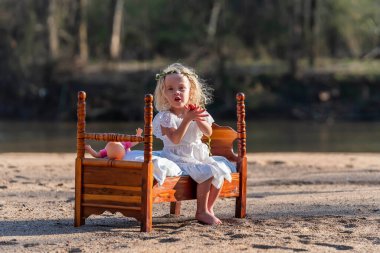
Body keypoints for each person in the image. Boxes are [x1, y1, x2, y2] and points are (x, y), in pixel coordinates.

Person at [153, 63, 232, 225]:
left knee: (221, 169)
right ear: (164, 93)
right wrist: (187, 120)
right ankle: (201, 211)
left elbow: (208, 132)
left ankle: (208, 209)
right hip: (177, 157)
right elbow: (175, 139)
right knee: (208, 171)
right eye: (170, 89)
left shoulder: (196, 111)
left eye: (181, 88)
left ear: (191, 91)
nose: (176, 92)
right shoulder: (164, 117)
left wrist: (196, 118)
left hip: (197, 155)